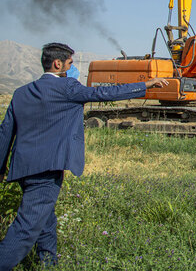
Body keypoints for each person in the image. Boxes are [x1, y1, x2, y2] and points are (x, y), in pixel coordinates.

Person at [0, 42, 168, 269]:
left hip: (23, 169)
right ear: (58, 63)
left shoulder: (21, 93)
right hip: (46, 171)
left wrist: (1, 169)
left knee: (46, 219)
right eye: (70, 63)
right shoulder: (68, 88)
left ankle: (48, 263)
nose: (72, 69)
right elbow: (104, 93)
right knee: (26, 228)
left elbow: (5, 133)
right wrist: (145, 84)